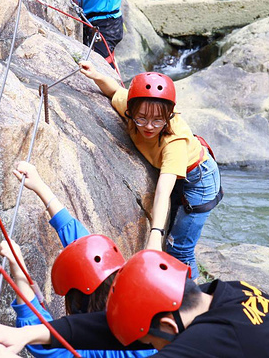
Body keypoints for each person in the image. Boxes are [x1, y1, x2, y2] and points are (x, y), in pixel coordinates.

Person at [0, 250, 269, 358]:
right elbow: (111, 329)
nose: (149, 347)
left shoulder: (214, 339)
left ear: (170, 329)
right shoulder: (225, 294)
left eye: (150, 343)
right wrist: (28, 333)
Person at [0, 161, 156, 358]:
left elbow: (49, 346)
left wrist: (18, 271)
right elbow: (86, 249)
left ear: (77, 302)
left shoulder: (98, 347)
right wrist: (40, 187)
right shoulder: (142, 309)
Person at [78, 63, 222, 279]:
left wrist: (155, 234)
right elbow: (114, 91)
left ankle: (191, 298)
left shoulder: (173, 142)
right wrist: (96, 75)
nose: (148, 126)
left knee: (179, 249)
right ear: (131, 110)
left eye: (158, 120)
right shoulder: (136, 106)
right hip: (181, 170)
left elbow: (163, 191)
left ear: (169, 116)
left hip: (199, 179)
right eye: (142, 118)